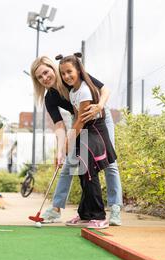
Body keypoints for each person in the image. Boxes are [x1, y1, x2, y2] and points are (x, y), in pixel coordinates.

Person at [30, 56, 123, 226]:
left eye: (46, 72)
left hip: (99, 116)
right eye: (39, 77)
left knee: (109, 162)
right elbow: (59, 126)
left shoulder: (70, 74)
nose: (45, 78)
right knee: (71, 163)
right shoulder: (49, 98)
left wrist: (100, 105)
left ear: (53, 68)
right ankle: (56, 209)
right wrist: (60, 150)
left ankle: (115, 207)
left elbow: (105, 90)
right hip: (78, 121)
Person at [57, 53, 117, 228]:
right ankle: (85, 214)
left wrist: (69, 141)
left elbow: (82, 120)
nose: (66, 76)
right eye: (63, 73)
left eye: (70, 72)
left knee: (89, 173)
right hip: (84, 131)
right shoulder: (73, 90)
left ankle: (99, 216)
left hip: (94, 131)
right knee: (83, 172)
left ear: (78, 70)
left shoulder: (84, 90)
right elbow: (76, 116)